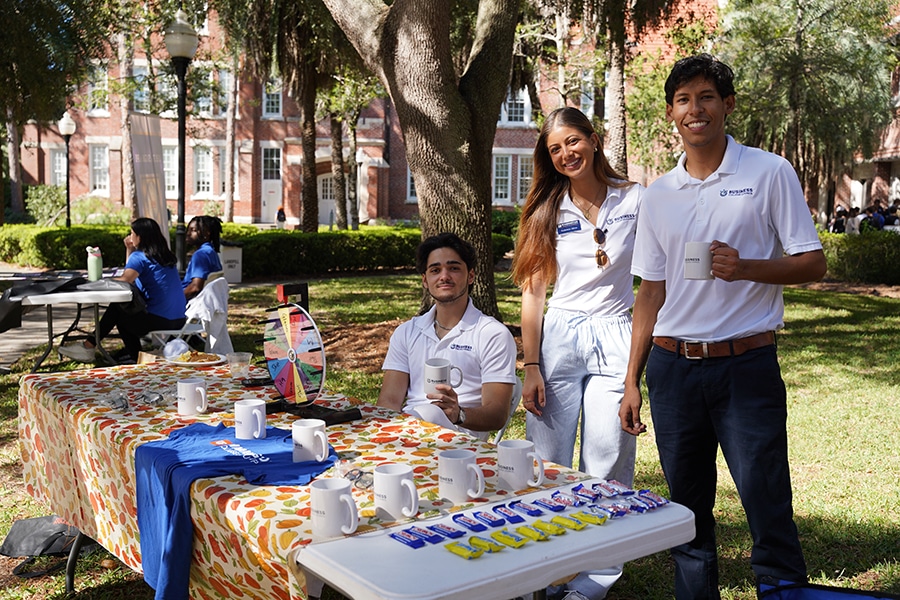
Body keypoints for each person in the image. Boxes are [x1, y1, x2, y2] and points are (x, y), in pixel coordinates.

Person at [620, 53, 826, 599]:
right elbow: (651, 291)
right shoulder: (658, 193)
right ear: (671, 113)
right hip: (672, 370)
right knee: (686, 513)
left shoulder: (768, 172)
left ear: (727, 105)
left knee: (766, 502)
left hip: (746, 367)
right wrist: (631, 381)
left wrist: (747, 267)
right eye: (684, 100)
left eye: (706, 97)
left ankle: (781, 592)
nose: (696, 109)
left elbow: (813, 262)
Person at [511, 106, 643, 600]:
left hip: (615, 332)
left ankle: (594, 580)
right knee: (546, 464)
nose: (567, 154)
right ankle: (539, 575)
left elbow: (655, 276)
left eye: (573, 141)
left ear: (594, 138)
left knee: (607, 462)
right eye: (555, 149)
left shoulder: (635, 199)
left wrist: (635, 374)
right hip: (559, 337)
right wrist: (531, 365)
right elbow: (533, 294)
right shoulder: (547, 209)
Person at [377, 232, 517, 441]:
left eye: (453, 268)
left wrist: (457, 413)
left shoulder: (492, 334)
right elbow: (389, 401)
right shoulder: (406, 332)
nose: (444, 276)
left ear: (471, 276)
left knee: (433, 413)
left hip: (461, 443)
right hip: (408, 434)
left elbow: (497, 414)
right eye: (435, 270)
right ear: (425, 280)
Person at [59, 218, 187, 364]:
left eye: (132, 233)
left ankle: (130, 357)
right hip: (179, 320)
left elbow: (126, 279)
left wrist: (100, 282)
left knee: (119, 312)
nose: (130, 236)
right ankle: (93, 346)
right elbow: (131, 274)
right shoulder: (165, 256)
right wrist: (129, 250)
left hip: (159, 319)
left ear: (140, 236)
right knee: (121, 311)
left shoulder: (140, 257)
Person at [182, 215, 223, 300]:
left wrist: (176, 300)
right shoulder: (210, 251)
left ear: (207, 233)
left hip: (190, 304)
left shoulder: (201, 255)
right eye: (188, 230)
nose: (188, 233)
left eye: (193, 230)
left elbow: (195, 287)